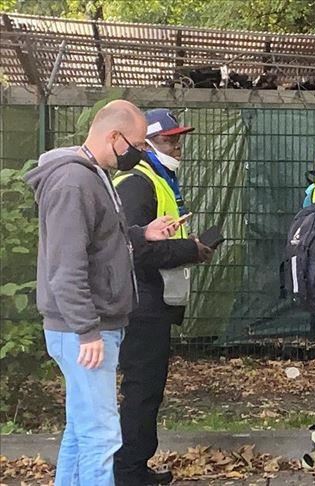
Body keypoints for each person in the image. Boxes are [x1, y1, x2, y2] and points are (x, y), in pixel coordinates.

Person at [24, 100, 179, 486]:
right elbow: (66, 267)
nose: (141, 152)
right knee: (102, 436)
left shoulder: (94, 175)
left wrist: (141, 234)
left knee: (81, 430)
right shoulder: (73, 182)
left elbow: (97, 243)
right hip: (83, 330)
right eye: (138, 144)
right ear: (114, 136)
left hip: (86, 326)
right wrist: (87, 330)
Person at [111, 109, 214, 486]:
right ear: (147, 143)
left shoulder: (156, 178)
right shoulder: (137, 183)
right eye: (170, 139)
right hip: (141, 304)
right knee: (141, 389)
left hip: (150, 300)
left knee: (145, 388)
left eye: (179, 138)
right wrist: (189, 249)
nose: (178, 146)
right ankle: (128, 472)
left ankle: (133, 467)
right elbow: (135, 248)